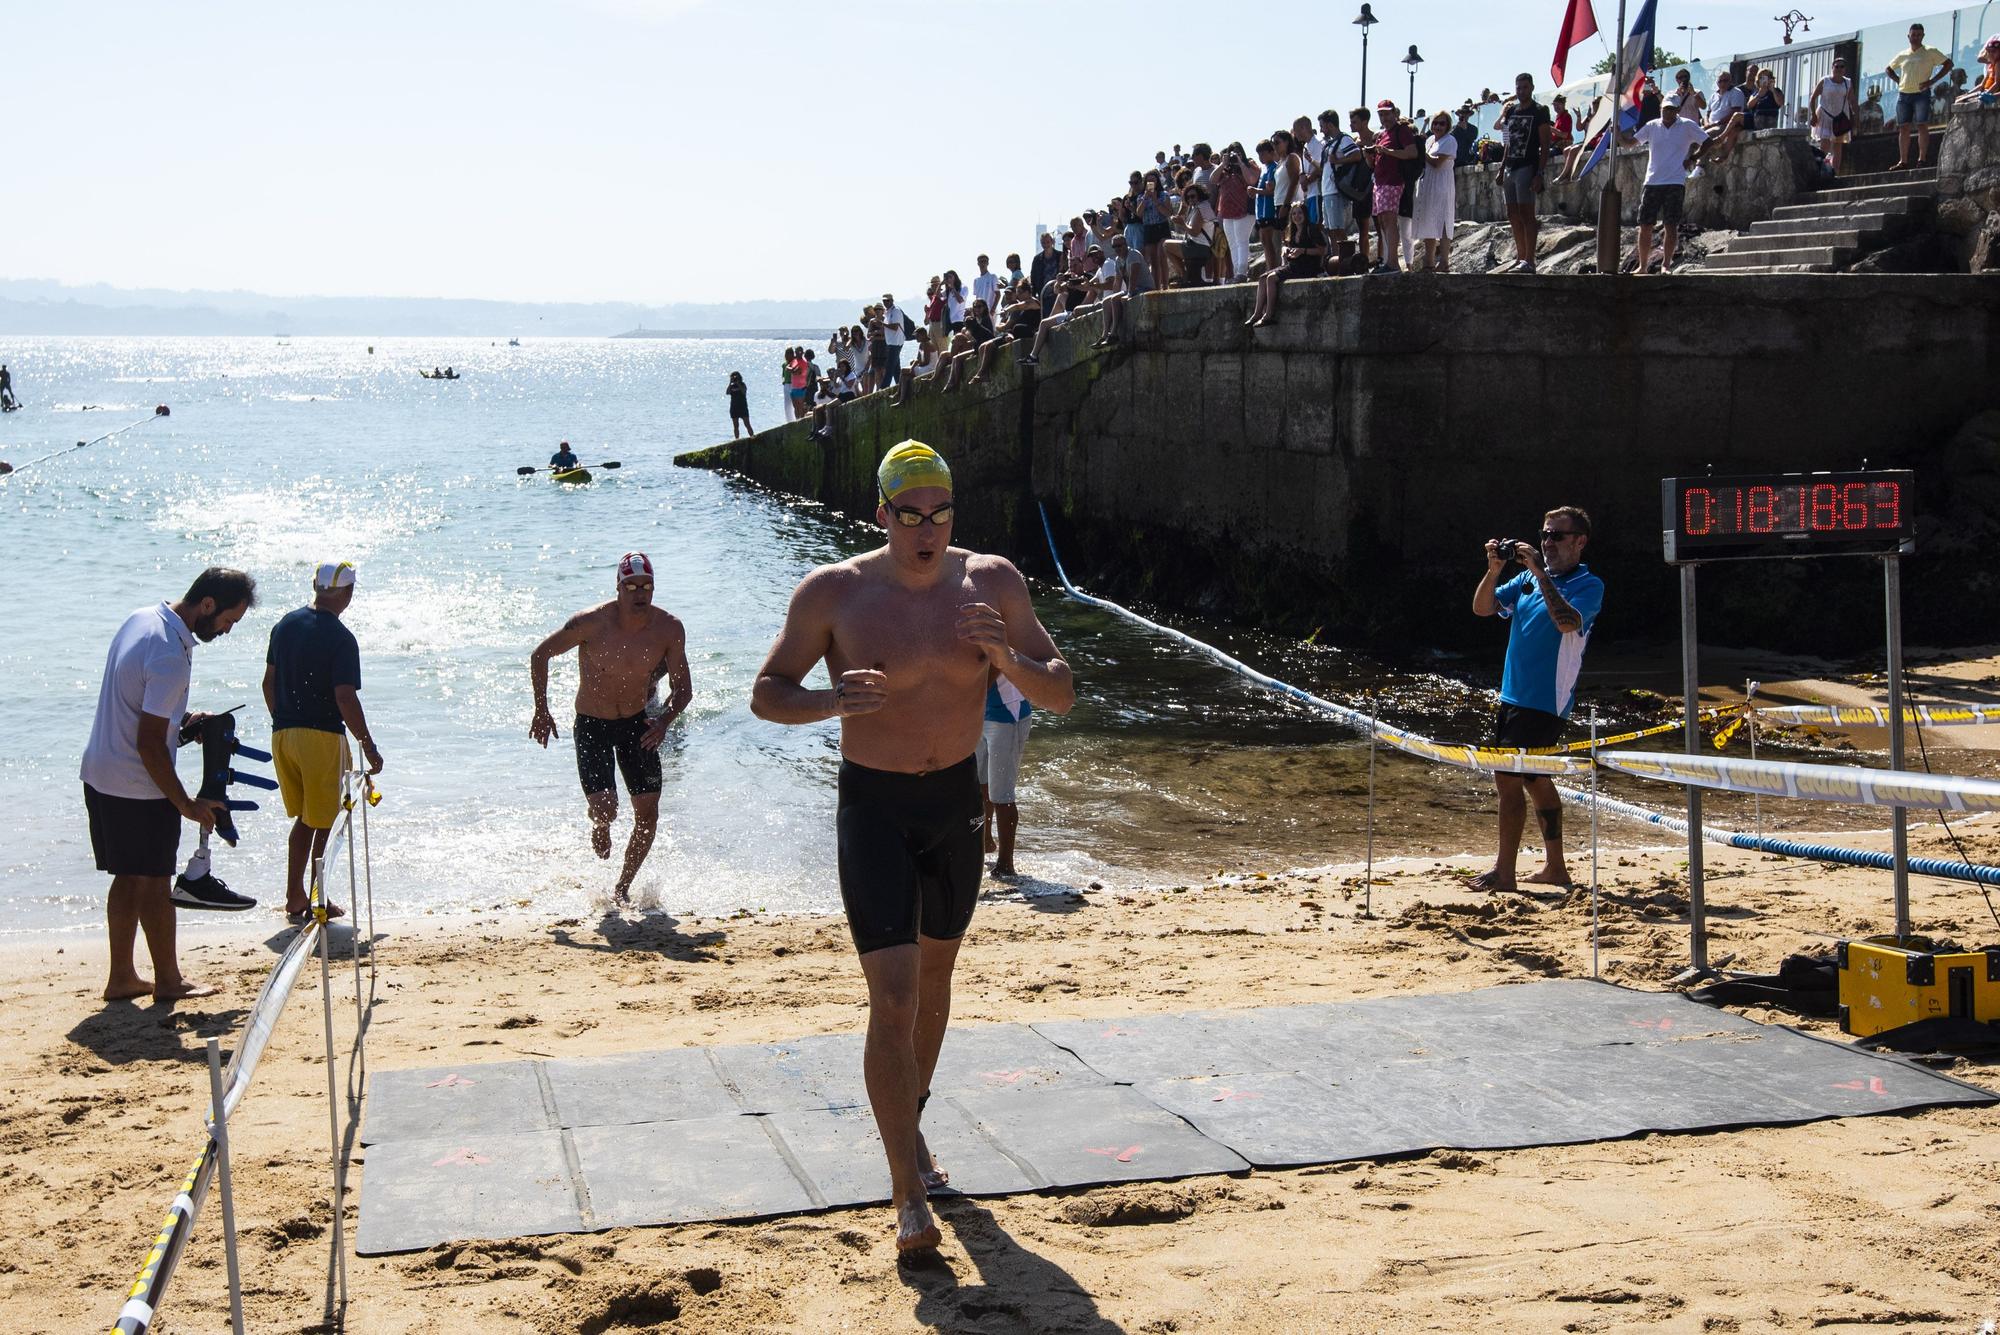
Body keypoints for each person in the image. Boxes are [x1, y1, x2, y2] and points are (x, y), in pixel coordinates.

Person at [750, 440, 1073, 1255]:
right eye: (910, 515)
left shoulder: (993, 582)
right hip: (876, 805)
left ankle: (912, 1133)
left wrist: (1004, 657)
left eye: (940, 513)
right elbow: (765, 693)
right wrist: (830, 700)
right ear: (882, 515)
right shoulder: (836, 593)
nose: (927, 530)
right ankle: (905, 1193)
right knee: (891, 996)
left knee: (934, 984)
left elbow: (1061, 689)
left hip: (952, 802)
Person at [83, 567, 258, 1001]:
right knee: (156, 881)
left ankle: (121, 977)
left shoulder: (143, 619)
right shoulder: (170, 656)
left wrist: (181, 725)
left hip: (100, 770)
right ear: (208, 605)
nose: (226, 631)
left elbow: (139, 710)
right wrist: (185, 804)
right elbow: (148, 744)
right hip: (138, 784)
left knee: (128, 877)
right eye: (228, 621)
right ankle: (169, 980)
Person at [529, 553, 694, 905]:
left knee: (648, 813)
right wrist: (542, 710)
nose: (639, 594)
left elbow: (684, 689)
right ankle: (601, 826)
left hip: (638, 723)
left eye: (646, 587)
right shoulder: (590, 623)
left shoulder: (669, 628)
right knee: (606, 809)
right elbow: (540, 654)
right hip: (593, 725)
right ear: (618, 588)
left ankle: (623, 887)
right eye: (631, 586)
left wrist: (664, 721)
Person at [1470, 508, 1604, 893]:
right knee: (1535, 778)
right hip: (1513, 695)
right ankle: (1555, 869)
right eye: (1545, 535)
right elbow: (1482, 607)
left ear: (1580, 541)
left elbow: (1567, 622)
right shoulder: (1527, 578)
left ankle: (1504, 873)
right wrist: (1495, 569)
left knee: (1508, 780)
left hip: (1544, 701)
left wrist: (1541, 573)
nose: (1548, 543)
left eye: (1558, 536)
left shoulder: (1587, 584)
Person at [265, 561, 383, 920]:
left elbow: (268, 683)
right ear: (347, 593)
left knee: (305, 818)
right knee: (325, 822)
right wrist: (367, 744)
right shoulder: (342, 639)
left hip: (283, 735)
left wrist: (284, 722)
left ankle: (294, 894)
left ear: (315, 586)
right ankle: (317, 896)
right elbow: (345, 697)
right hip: (321, 738)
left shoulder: (284, 625)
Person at [1618, 95, 1706, 274]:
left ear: (1677, 110)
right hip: (1652, 181)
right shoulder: (1652, 126)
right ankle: (1642, 266)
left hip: (1675, 181)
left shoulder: (1687, 125)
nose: (1668, 112)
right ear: (1661, 108)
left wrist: (1693, 158)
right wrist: (1617, 133)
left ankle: (1666, 265)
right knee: (1645, 225)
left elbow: (1708, 141)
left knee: (1670, 225)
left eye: (1672, 109)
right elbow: (1629, 144)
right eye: (1666, 108)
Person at [1495, 73, 1552, 273]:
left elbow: (1545, 144)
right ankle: (1520, 256)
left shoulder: (1540, 111)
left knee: (1527, 213)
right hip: (1510, 166)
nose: (1521, 91)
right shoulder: (1511, 112)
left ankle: (1530, 259)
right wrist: (1501, 168)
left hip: (1527, 166)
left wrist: (1540, 173)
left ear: (1532, 88)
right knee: (1512, 214)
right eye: (1518, 88)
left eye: (1525, 87)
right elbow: (1507, 143)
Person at [977, 671, 1033, 877]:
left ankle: (1006, 864)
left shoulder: (1003, 636)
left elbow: (993, 663)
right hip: (978, 712)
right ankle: (985, 842)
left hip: (1008, 714)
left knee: (1002, 795)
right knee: (980, 784)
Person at [1887, 23, 1953, 170]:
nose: (1915, 37)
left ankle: (1921, 159)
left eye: (1918, 35)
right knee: (1903, 127)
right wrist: (1899, 80)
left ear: (1922, 36)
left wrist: (1933, 80)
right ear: (1908, 36)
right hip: (1904, 94)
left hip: (1921, 93)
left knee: (1922, 125)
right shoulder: (1902, 54)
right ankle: (1903, 161)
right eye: (1913, 34)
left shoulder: (1930, 51)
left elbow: (1948, 64)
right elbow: (1889, 69)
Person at [1243, 209, 1325, 327]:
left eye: (1300, 213)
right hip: (1294, 265)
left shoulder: (1311, 229)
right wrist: (1285, 251)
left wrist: (1303, 251)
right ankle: (1257, 314)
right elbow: (1286, 247)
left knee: (1271, 278)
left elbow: (1322, 250)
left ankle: (1269, 315)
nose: (1297, 216)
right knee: (1262, 278)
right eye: (1294, 214)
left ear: (1305, 215)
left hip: (1308, 266)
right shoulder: (1291, 230)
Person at [1365, 101, 1421, 275]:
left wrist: (1388, 151)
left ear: (1394, 113)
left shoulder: (1401, 130)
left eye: (1387, 114)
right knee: (1382, 221)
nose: (1384, 118)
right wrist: (1368, 155)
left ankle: (1393, 263)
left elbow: (1412, 152)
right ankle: (1390, 261)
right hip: (1380, 182)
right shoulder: (1382, 134)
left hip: (1393, 181)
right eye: (1381, 114)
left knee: (1389, 221)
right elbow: (1373, 165)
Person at [1411, 111, 1458, 272]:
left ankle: (1444, 260)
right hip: (1428, 183)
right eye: (1436, 123)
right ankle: (1429, 260)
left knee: (1443, 220)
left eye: (1442, 123)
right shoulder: (1430, 140)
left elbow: (1437, 163)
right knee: (1428, 220)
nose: (1438, 126)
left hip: (1442, 184)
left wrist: (1420, 152)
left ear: (1448, 125)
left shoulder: (1449, 140)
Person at [1691, 69, 1747, 173]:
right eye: (1720, 81)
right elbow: (1707, 113)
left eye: (1725, 80)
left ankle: (1700, 166)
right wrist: (1707, 123)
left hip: (1725, 125)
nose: (1722, 83)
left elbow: (1735, 112)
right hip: (1711, 124)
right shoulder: (1713, 95)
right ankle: (1686, 164)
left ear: (1730, 81)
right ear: (1717, 83)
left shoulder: (1736, 93)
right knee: (1690, 135)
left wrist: (1716, 123)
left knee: (1705, 136)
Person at [1211, 147, 1254, 282]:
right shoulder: (1224, 170)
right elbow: (1212, 179)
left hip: (1245, 211)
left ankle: (1242, 272)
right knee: (1232, 243)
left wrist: (1241, 163)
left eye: (1237, 153)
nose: (1234, 157)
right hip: (1226, 212)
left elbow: (1251, 180)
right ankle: (1238, 274)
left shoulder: (1250, 165)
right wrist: (1223, 164)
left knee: (1242, 241)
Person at [1810, 56, 1857, 176]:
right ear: (1832, 68)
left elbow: (1852, 100)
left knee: (1838, 146)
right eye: (1837, 66)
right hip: (1825, 115)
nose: (1839, 69)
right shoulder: (1825, 81)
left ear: (1845, 69)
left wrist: (1855, 117)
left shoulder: (1848, 83)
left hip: (1840, 117)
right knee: (1824, 144)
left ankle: (1835, 171)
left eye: (1842, 66)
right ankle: (1820, 169)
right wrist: (1813, 115)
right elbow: (1813, 97)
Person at [1957, 37, 2000, 108]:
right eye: (1989, 51)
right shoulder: (1990, 65)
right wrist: (1968, 94)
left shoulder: (1998, 63)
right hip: (1985, 92)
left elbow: (1997, 83)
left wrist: (1987, 93)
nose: (1991, 54)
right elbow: (1982, 85)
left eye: (1994, 51)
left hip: (1991, 93)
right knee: (1959, 99)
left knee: (1961, 101)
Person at [725, 373, 752, 438]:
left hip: (742, 407)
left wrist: (738, 384)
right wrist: (730, 383)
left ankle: (752, 437)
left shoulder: (743, 385)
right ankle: (737, 439)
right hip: (734, 407)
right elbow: (727, 392)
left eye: (736, 377)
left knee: (747, 424)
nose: (735, 379)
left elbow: (743, 391)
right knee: (736, 426)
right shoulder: (731, 386)